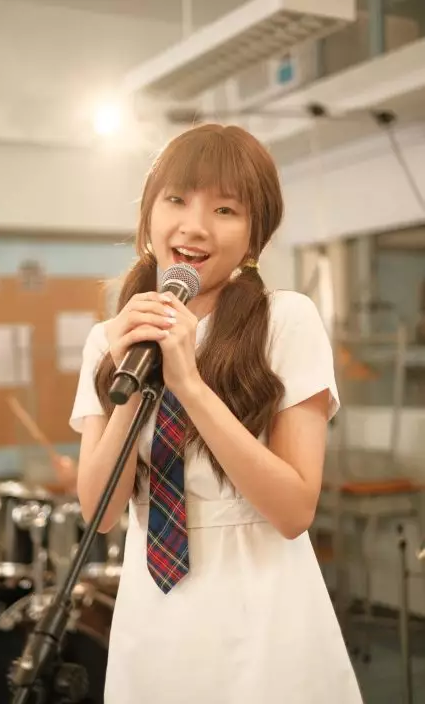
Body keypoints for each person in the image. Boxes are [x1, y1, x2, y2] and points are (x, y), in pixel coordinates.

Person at [69, 123, 363, 704]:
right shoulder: (110, 340)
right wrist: (132, 376)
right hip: (152, 618)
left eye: (225, 209)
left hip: (264, 614)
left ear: (256, 233)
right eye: (176, 199)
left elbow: (294, 510)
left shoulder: (286, 321)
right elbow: (99, 513)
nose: (195, 226)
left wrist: (190, 384)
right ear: (148, 215)